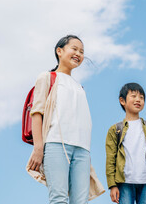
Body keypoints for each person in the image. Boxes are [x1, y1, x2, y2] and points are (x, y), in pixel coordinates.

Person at [26, 35, 104, 203]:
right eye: (74, 49)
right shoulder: (47, 77)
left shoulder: (79, 87)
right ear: (59, 51)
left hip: (82, 149)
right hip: (56, 145)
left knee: (80, 201)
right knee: (59, 198)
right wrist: (38, 148)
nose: (78, 54)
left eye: (82, 51)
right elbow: (36, 113)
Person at [105, 83, 146, 204]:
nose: (138, 100)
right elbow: (110, 159)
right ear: (122, 101)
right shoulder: (115, 130)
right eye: (133, 96)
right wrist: (112, 185)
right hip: (124, 182)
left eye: (141, 97)